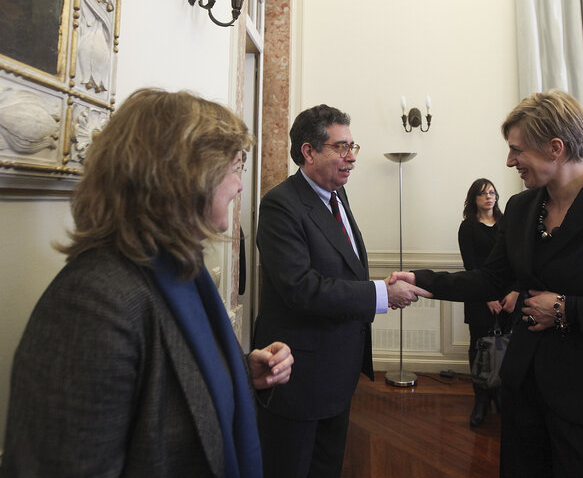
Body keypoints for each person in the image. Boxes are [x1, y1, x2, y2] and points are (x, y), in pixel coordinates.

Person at [392, 89, 583, 477]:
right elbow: (491, 278)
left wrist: (567, 309)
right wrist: (422, 280)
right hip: (526, 394)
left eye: (517, 150)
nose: (509, 161)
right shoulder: (522, 209)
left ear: (555, 147)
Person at [0, 89, 294, 478]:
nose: (240, 184)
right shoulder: (91, 302)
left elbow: (174, 376)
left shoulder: (181, 271)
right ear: (187, 174)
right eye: (235, 166)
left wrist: (241, 372)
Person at [252, 104, 430, 477]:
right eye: (341, 147)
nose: (352, 157)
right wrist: (381, 294)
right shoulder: (280, 205)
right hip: (297, 377)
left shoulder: (337, 195)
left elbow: (343, 269)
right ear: (309, 151)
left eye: (354, 147)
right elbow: (301, 288)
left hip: (336, 372)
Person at [458, 178, 514, 427]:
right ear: (475, 199)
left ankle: (501, 394)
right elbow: (471, 266)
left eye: (492, 192)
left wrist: (514, 292)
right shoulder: (467, 227)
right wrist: (487, 297)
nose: (489, 197)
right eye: (483, 194)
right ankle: (481, 399)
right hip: (479, 295)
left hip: (508, 298)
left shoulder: (507, 224)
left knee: (506, 346)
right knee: (480, 347)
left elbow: (516, 262)